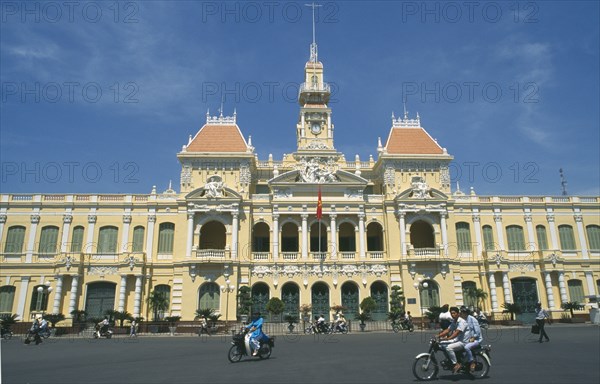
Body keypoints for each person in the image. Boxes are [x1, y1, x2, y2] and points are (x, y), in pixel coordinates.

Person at [438, 306, 467, 373]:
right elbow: (448, 330)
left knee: (448, 348)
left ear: (458, 313)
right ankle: (450, 359)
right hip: (457, 340)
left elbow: (457, 333)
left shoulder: (461, 321)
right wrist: (438, 336)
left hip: (463, 342)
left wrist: (448, 338)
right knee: (442, 345)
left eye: (454, 313)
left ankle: (456, 364)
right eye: (451, 313)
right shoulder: (454, 321)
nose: (452, 315)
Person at [460, 306, 483, 373]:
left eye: (463, 312)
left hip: (476, 340)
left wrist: (471, 339)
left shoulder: (473, 320)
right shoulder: (463, 320)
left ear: (466, 313)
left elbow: (477, 333)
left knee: (467, 347)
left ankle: (472, 361)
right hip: (467, 339)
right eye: (461, 312)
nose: (461, 313)